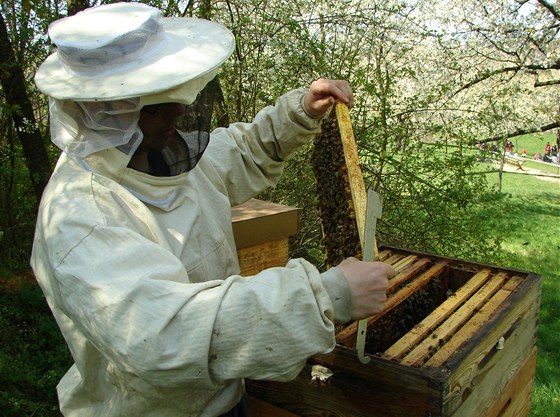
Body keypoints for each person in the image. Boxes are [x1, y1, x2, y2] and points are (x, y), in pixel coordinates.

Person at [30, 3, 395, 417]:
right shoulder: (80, 220)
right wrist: (326, 295)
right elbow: (165, 334)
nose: (180, 111)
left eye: (178, 93)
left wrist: (299, 112)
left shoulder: (157, 152)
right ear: (105, 113)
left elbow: (241, 151)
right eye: (156, 104)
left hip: (225, 396)